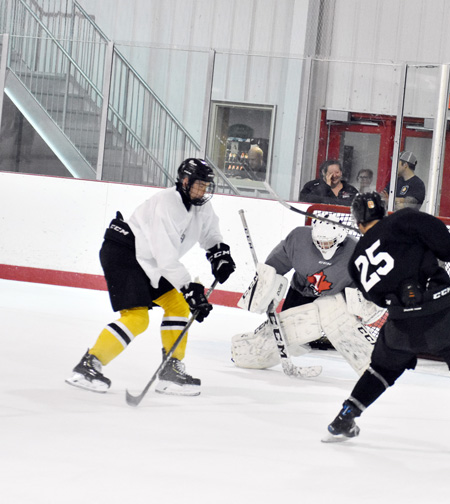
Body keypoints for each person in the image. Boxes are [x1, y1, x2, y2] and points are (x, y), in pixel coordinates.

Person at [324, 192, 450, 454]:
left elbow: (377, 299)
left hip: (401, 326)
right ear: (383, 211)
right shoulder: (404, 219)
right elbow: (443, 242)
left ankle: (345, 416)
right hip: (443, 318)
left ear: (357, 223)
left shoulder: (355, 261)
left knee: (381, 370)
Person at [65, 158, 236, 396]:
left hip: (149, 260)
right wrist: (190, 288)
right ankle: (87, 366)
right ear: (185, 181)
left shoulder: (201, 207)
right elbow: (166, 258)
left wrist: (219, 254)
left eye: (206, 185)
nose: (203, 190)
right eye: (199, 184)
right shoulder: (167, 203)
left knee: (177, 305)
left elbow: (210, 234)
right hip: (124, 253)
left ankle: (170, 371)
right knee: (137, 318)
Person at [231, 215, 380, 375]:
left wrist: (364, 305)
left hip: (335, 297)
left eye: (328, 243)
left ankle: (374, 365)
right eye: (319, 242)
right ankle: (248, 352)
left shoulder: (355, 251)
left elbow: (368, 283)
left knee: (335, 316)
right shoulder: (298, 239)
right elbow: (274, 267)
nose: (323, 246)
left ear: (340, 239)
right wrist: (265, 286)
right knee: (287, 329)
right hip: (301, 291)